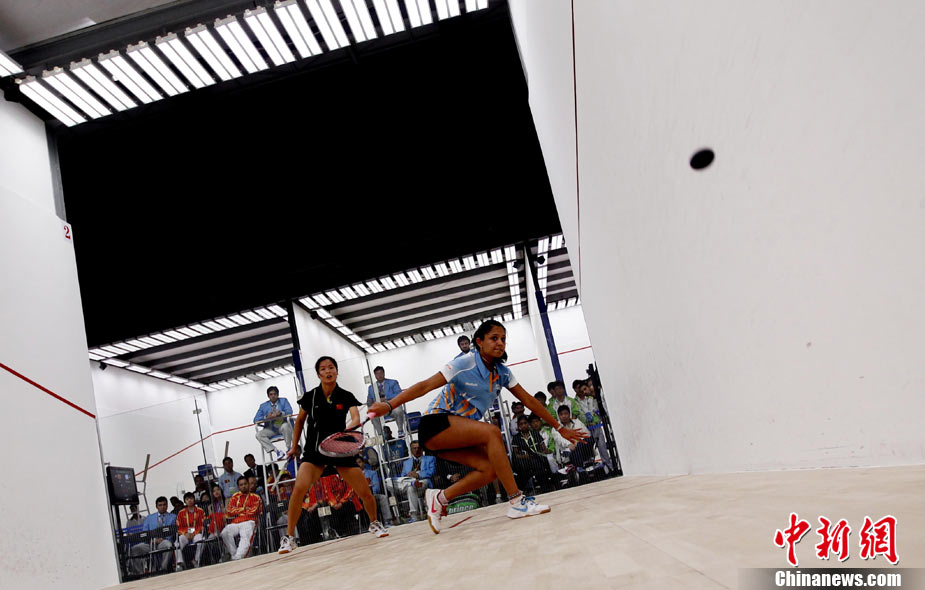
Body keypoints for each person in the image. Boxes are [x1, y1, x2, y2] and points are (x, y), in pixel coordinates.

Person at [368, 320, 587, 534]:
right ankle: (516, 501)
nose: (500, 343)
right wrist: (389, 405)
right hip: (435, 423)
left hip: (458, 432)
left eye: (503, 339)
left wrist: (559, 427)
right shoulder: (464, 363)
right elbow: (425, 385)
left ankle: (440, 498)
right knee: (492, 432)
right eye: (494, 338)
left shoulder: (502, 373)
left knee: (489, 470)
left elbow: (529, 400)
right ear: (479, 342)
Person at [278, 355, 388, 554]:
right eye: (323, 369)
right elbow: (300, 421)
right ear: (318, 374)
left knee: (364, 492)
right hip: (314, 451)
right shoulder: (310, 396)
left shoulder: (345, 395)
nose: (328, 371)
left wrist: (348, 429)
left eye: (331, 367)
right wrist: (294, 447)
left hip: (339, 448)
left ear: (336, 371)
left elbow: (355, 417)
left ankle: (374, 523)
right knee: (299, 490)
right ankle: (289, 537)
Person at [386, 440, 435, 521]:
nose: (417, 450)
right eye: (414, 448)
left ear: (422, 449)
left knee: (410, 487)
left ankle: (414, 516)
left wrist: (418, 475)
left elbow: (432, 472)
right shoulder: (406, 463)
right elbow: (403, 476)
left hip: (423, 482)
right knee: (388, 481)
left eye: (418, 448)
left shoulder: (430, 458)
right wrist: (408, 476)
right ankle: (411, 483)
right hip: (409, 483)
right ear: (411, 450)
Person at [129, 496, 176, 573]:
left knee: (168, 545)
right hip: (150, 543)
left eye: (164, 504)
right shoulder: (149, 518)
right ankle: (141, 573)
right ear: (156, 507)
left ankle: (163, 569)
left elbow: (173, 532)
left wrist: (163, 539)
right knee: (134, 549)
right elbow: (145, 533)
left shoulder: (173, 517)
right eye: (160, 505)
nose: (162, 507)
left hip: (163, 541)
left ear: (167, 505)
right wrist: (153, 540)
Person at [575, 380, 612, 473]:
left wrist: (594, 419)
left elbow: (596, 411)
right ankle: (592, 471)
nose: (582, 391)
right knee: (589, 450)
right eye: (579, 389)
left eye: (584, 389)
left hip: (596, 426)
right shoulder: (575, 402)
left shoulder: (591, 398)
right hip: (586, 429)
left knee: (602, 447)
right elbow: (579, 415)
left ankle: (610, 468)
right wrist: (587, 420)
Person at [511, 415, 556, 493]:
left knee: (540, 463)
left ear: (528, 424)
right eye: (521, 424)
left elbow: (543, 449)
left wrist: (550, 451)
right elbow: (516, 455)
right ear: (518, 426)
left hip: (536, 459)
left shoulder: (535, 434)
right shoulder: (516, 438)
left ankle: (546, 488)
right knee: (529, 466)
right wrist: (526, 456)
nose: (523, 425)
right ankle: (524, 490)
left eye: (525, 423)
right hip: (524, 461)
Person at [221, 475, 261, 561]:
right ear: (238, 487)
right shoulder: (235, 496)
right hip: (236, 522)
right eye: (241, 484)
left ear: (248, 485)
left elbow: (253, 511)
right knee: (225, 532)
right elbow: (229, 510)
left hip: (249, 521)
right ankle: (234, 554)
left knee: (245, 536)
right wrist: (244, 509)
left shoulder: (255, 497)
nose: (243, 486)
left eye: (245, 484)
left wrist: (237, 511)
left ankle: (239, 557)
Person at [366, 366, 408, 438]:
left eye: (381, 373)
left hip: (392, 407)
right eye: (377, 374)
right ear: (375, 376)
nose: (379, 375)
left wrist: (386, 398)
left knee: (398, 410)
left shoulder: (393, 382)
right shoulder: (371, 387)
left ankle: (400, 430)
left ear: (384, 373)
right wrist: (375, 403)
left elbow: (399, 394)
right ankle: (381, 435)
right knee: (371, 415)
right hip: (380, 409)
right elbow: (369, 402)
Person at [254, 386, 294, 461]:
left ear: (278, 395)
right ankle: (277, 452)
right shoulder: (263, 406)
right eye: (271, 394)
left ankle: (289, 449)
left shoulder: (283, 401)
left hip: (282, 426)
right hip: (271, 429)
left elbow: (289, 412)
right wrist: (266, 417)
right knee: (258, 434)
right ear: (268, 396)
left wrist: (281, 413)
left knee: (285, 426)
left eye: (275, 394)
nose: (273, 396)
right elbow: (255, 419)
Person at [175, 492, 206, 569]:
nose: (189, 500)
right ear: (185, 501)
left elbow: (202, 524)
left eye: (191, 498)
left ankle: (196, 560)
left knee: (201, 540)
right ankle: (180, 563)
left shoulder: (200, 511)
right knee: (177, 543)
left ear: (194, 499)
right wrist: (186, 533)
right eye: (187, 499)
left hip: (197, 533)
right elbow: (179, 527)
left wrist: (193, 532)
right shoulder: (181, 513)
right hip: (185, 534)